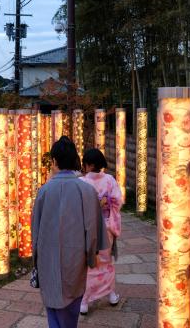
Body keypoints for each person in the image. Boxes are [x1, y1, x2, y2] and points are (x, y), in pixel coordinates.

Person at [32, 136, 108, 328]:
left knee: (52, 307)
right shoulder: (86, 191)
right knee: (71, 307)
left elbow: (36, 231)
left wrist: (36, 260)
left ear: (54, 161)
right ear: (76, 160)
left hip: (48, 259)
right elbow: (92, 231)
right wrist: (92, 257)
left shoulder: (44, 191)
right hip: (75, 258)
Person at [79, 148, 123, 315]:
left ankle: (84, 301)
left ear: (89, 165)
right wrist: (105, 202)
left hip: (88, 227)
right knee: (106, 262)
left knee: (89, 264)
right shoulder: (109, 180)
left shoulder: (82, 182)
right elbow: (118, 201)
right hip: (106, 227)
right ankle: (111, 294)